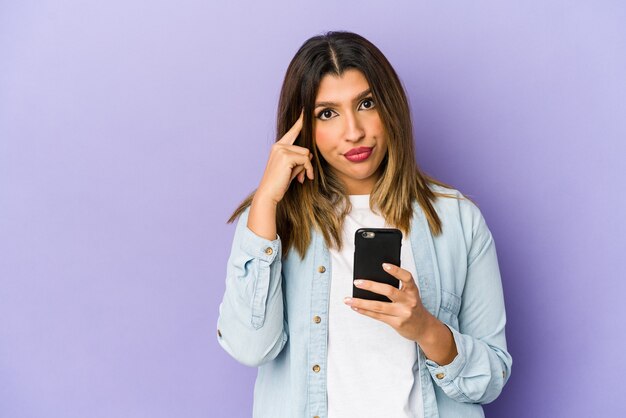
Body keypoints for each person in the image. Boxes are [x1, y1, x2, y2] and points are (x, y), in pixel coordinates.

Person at [216, 31, 512, 418]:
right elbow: (249, 347)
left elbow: (490, 379)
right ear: (301, 127)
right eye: (328, 113)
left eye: (366, 103)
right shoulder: (272, 220)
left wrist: (424, 328)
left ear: (390, 107)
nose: (353, 131)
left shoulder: (457, 220)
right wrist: (266, 201)